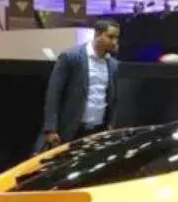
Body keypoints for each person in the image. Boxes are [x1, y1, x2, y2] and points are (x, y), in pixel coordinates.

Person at [38, 19, 120, 152]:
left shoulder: (113, 64)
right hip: (70, 131)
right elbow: (54, 93)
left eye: (116, 38)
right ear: (97, 34)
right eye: (110, 37)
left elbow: (113, 98)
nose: (114, 42)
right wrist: (51, 129)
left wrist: (111, 124)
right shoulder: (71, 57)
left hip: (98, 132)